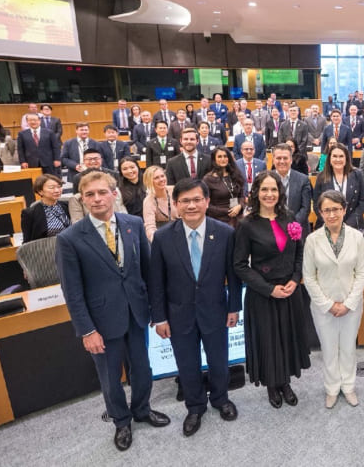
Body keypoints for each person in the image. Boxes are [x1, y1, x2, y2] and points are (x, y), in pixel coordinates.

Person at [56, 171, 170, 451]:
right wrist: (86, 330)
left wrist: (158, 314)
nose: (97, 199)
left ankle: (142, 409)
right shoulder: (70, 238)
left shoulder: (133, 224)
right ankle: (121, 420)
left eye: (102, 192)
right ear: (82, 200)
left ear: (114, 193)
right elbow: (72, 291)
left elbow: (148, 272)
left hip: (137, 314)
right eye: (90, 195)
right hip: (101, 322)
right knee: (110, 378)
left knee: (143, 369)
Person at [148, 178, 240, 436]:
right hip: (179, 314)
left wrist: (234, 307)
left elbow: (233, 276)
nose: (191, 205)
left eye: (197, 199)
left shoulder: (225, 233)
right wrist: (159, 318)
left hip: (216, 311)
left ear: (207, 202)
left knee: (219, 360)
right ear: (176, 205)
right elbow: (156, 282)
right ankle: (195, 406)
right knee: (187, 364)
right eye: (185, 201)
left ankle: (221, 399)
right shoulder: (164, 237)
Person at [233, 171, 310, 408]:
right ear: (256, 192)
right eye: (264, 189)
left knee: (287, 338)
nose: (269, 194)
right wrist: (268, 289)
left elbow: (299, 254)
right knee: (269, 341)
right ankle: (272, 385)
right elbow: (239, 265)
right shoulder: (247, 224)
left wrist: (296, 279)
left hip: (289, 291)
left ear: (280, 192)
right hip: (264, 295)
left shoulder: (289, 218)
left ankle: (285, 382)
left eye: (274, 189)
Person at [302, 191, 364, 409]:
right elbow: (309, 277)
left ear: (344, 209)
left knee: (348, 347)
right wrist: (328, 304)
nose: (332, 214)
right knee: (329, 348)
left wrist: (349, 303)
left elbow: (362, 273)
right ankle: (332, 388)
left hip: (352, 305)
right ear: (320, 213)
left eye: (336, 209)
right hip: (324, 307)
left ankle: (348, 386)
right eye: (327, 210)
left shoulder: (357, 237)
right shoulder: (312, 240)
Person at [313, 143, 364, 231]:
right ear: (329, 159)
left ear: (346, 159)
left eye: (341, 156)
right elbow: (316, 203)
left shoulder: (357, 175)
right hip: (327, 224)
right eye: (334, 156)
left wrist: (348, 224)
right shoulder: (321, 177)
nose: (338, 159)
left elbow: (363, 201)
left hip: (353, 226)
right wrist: (330, 221)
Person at [271, 143, 312, 236]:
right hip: (272, 231)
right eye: (278, 158)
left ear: (291, 160)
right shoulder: (265, 179)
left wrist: (291, 226)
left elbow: (305, 208)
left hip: (297, 231)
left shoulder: (303, 179)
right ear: (273, 160)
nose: (282, 161)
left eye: (285, 158)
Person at [203, 147, 245, 228]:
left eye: (225, 156)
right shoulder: (208, 179)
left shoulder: (235, 174)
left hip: (238, 218)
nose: (223, 159)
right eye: (219, 157)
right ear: (214, 159)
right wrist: (228, 211)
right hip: (219, 220)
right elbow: (207, 205)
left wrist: (240, 206)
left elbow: (241, 196)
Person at [20, 174, 70, 243]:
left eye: (59, 187)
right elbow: (27, 241)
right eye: (52, 188)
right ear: (40, 191)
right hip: (46, 250)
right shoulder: (30, 213)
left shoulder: (67, 205)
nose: (57, 190)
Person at [142, 165, 178, 241]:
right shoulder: (149, 201)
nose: (161, 179)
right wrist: (157, 242)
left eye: (162, 176)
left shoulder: (175, 190)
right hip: (163, 235)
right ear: (149, 181)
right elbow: (150, 227)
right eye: (156, 178)